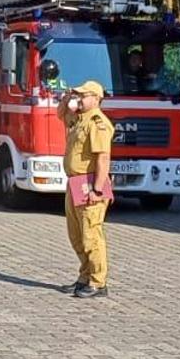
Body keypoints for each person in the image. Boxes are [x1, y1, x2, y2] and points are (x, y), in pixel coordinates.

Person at [56, 80, 115, 299]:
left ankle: (98, 282)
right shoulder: (80, 119)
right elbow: (61, 114)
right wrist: (67, 96)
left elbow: (103, 158)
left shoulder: (98, 123)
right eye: (78, 96)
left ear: (96, 98)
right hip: (75, 183)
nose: (79, 99)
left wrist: (97, 190)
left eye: (83, 96)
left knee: (91, 235)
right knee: (76, 235)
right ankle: (84, 276)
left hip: (90, 184)